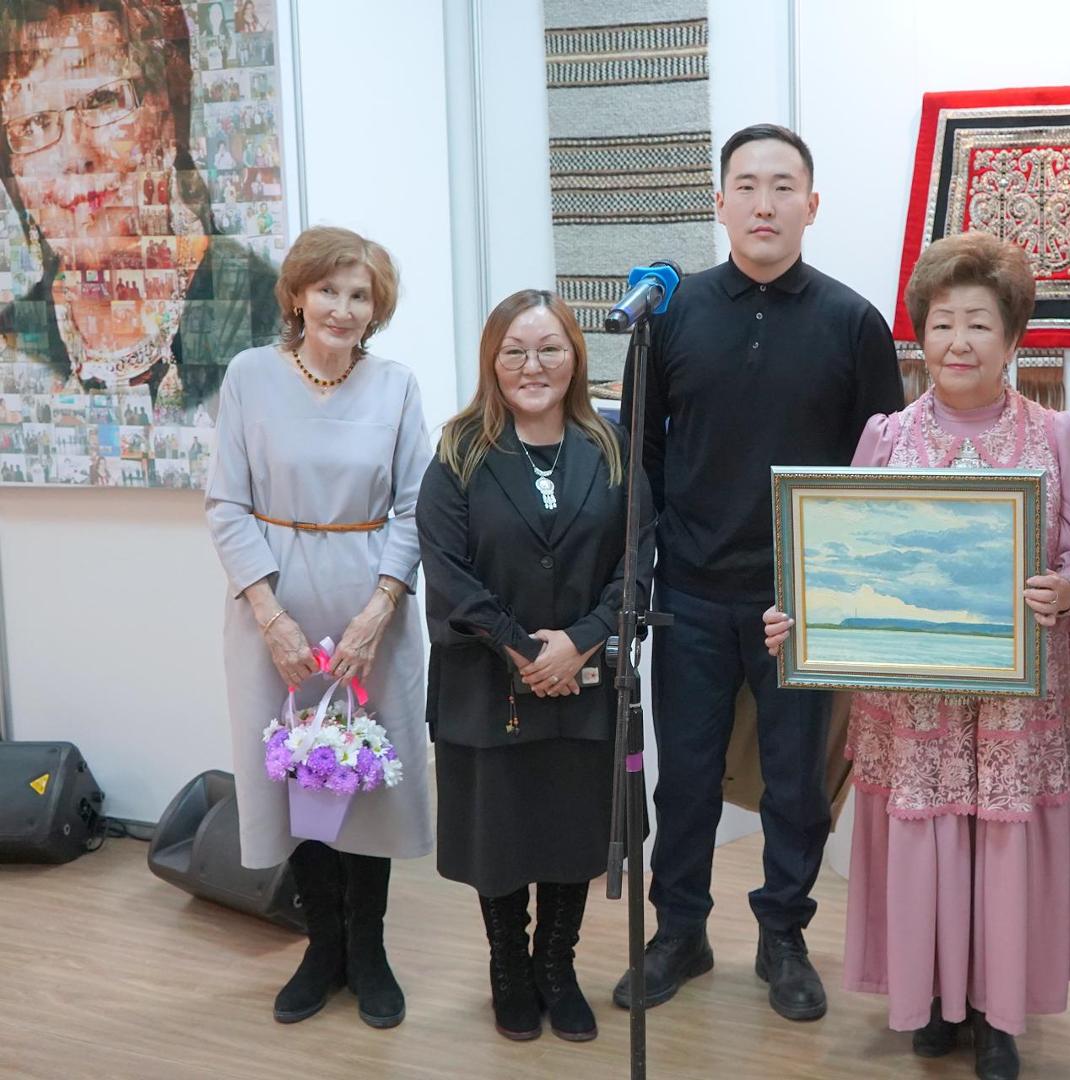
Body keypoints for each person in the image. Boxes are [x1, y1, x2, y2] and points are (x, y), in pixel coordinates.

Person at [763, 231, 1070, 1080]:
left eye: (979, 324)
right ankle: (927, 999)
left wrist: (1066, 592)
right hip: (914, 700)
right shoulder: (886, 435)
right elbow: (839, 557)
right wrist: (801, 622)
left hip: (1015, 699)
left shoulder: (1057, 433)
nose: (959, 342)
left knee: (1000, 847)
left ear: (1013, 337)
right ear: (921, 333)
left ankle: (996, 1015)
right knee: (925, 841)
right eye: (943, 323)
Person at [615, 123, 904, 1021]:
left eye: (783, 187)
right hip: (690, 592)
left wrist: (848, 594)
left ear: (812, 206)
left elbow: (879, 468)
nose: (764, 204)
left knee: (795, 782)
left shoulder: (854, 323)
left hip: (802, 601)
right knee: (685, 777)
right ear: (720, 203)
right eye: (746, 186)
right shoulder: (670, 316)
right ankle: (680, 931)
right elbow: (641, 457)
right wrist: (638, 580)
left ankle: (783, 934)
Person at [205, 226, 433, 1031]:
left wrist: (379, 610)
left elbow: (417, 508)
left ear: (376, 309)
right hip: (274, 617)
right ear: (298, 296)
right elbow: (226, 505)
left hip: (374, 619)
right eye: (328, 290)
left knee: (363, 780)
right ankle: (321, 948)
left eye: (359, 295)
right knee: (293, 773)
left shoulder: (396, 386)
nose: (342, 307)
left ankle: (368, 950)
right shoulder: (250, 376)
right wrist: (270, 617)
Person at [417, 289, 654, 1044]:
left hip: (586, 682)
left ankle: (557, 966)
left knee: (570, 830)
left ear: (574, 359)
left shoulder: (611, 447)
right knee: (502, 835)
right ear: (492, 361)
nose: (533, 366)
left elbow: (637, 559)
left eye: (550, 349)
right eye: (514, 351)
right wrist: (523, 649)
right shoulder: (459, 452)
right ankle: (508, 968)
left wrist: (580, 641)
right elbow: (448, 574)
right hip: (489, 684)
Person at [0, 1, 279, 484]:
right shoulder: (16, 340)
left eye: (102, 100)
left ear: (168, 115)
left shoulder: (265, 311)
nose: (75, 155)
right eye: (33, 125)